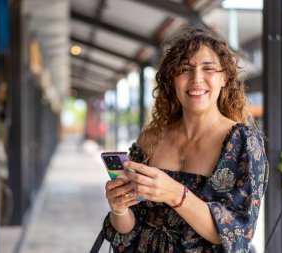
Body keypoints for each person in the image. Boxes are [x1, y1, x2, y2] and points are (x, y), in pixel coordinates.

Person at [102, 28, 269, 252]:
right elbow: (129, 231)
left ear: (224, 78)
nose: (196, 79)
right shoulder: (150, 139)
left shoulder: (242, 143)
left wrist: (174, 193)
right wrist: (119, 208)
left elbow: (235, 234)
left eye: (208, 68)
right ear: (173, 79)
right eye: (186, 69)